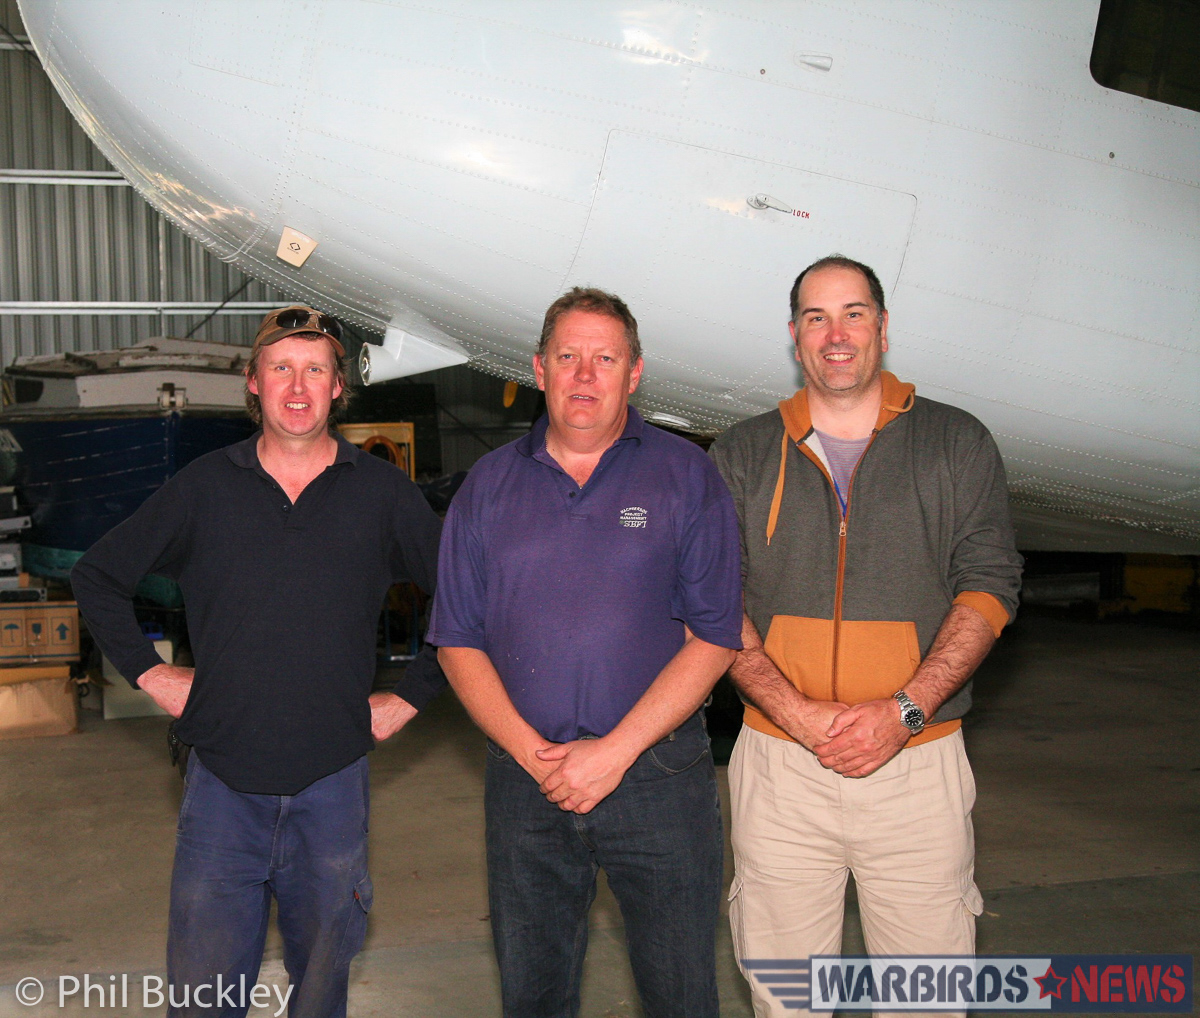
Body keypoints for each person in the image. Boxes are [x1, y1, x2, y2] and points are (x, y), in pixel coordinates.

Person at [71, 305, 445, 1018]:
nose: (297, 387)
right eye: (281, 369)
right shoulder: (204, 488)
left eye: (315, 370)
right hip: (222, 791)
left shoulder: (382, 495)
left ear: (339, 388)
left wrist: (412, 695)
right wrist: (150, 672)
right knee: (205, 999)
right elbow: (98, 575)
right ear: (253, 383)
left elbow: (467, 604)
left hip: (333, 787)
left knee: (320, 995)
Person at [709, 256, 1023, 1018]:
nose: (835, 334)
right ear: (794, 337)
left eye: (853, 313)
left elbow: (990, 584)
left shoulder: (957, 442)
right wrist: (798, 714)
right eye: (816, 317)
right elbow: (713, 600)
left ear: (883, 328)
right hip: (780, 772)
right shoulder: (743, 454)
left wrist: (904, 710)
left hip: (918, 771)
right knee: (786, 998)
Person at [428, 287, 743, 1018]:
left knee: (681, 993)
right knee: (532, 994)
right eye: (568, 356)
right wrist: (536, 754)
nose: (584, 374)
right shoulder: (488, 486)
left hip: (659, 777)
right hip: (525, 782)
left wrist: (614, 753)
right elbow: (456, 640)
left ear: (634, 374)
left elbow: (716, 636)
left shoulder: (685, 477)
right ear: (539, 368)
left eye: (605, 358)